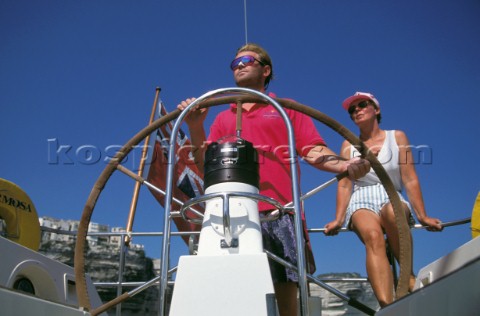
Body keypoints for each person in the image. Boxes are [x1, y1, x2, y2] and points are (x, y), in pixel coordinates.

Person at [177, 43, 370, 316]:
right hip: (230, 214)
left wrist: (345, 164)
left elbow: (314, 150)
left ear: (266, 70)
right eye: (234, 63)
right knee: (229, 291)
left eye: (247, 60)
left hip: (279, 209)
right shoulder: (222, 117)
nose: (240, 65)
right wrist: (195, 126)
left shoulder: (286, 111)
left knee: (285, 294)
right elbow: (203, 163)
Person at [323, 91, 443, 307]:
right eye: (352, 110)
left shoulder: (396, 137)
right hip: (362, 197)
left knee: (391, 214)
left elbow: (409, 178)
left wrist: (422, 216)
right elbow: (345, 184)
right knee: (372, 235)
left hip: (391, 194)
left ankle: (406, 274)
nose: (356, 110)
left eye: (362, 105)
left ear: (376, 109)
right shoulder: (348, 146)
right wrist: (338, 219)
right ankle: (388, 307)